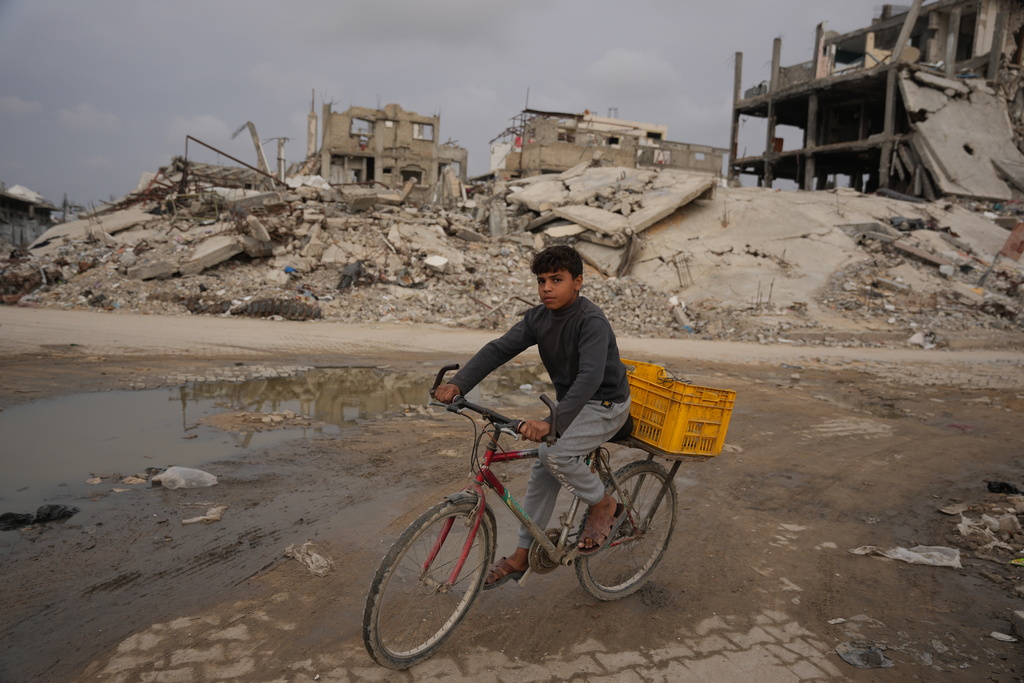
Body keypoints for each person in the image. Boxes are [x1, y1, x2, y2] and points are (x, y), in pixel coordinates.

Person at [433, 244, 631, 589]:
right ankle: (524, 554)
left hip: (605, 406)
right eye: (541, 281)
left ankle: (605, 507)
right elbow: (499, 348)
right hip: (572, 405)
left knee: (553, 453)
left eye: (557, 279)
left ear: (578, 282)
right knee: (545, 463)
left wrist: (551, 424)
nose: (547, 289)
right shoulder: (539, 318)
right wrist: (459, 382)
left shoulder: (591, 321)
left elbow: (590, 379)